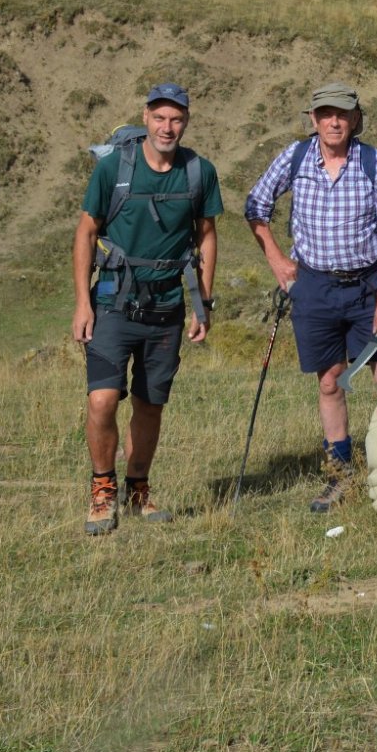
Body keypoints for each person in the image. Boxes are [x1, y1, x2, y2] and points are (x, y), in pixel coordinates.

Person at [245, 82, 377, 512]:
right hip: (315, 287)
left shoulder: (373, 162)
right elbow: (255, 205)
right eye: (325, 114)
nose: (333, 121)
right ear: (314, 119)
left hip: (368, 286)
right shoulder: (296, 157)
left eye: (342, 114)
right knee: (330, 380)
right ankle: (340, 476)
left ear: (355, 119)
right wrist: (279, 263)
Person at [72, 84, 223, 535]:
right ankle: (103, 491)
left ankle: (138, 489)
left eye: (176, 119)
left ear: (186, 122)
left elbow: (207, 235)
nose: (167, 127)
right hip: (113, 303)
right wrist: (83, 301)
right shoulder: (113, 168)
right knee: (102, 400)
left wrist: (203, 302)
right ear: (146, 117)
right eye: (159, 117)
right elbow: (85, 233)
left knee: (150, 404)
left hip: (167, 307)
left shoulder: (200, 172)